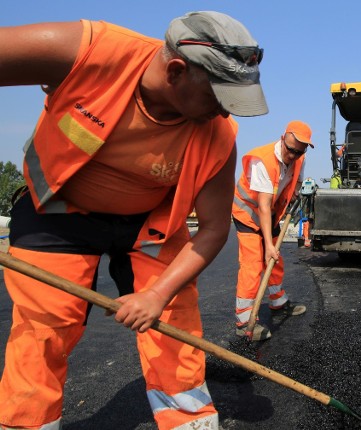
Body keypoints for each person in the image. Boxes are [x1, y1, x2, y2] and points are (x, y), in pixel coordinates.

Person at [0, 11, 267, 430]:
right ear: (177, 71)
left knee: (174, 320)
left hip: (150, 223)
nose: (223, 112)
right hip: (56, 211)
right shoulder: (89, 52)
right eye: (219, 97)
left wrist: (157, 294)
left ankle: (189, 422)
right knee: (43, 329)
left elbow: (214, 228)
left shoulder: (218, 135)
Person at [232, 121, 313, 341]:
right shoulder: (263, 160)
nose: (293, 155)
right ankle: (244, 321)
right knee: (253, 264)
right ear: (282, 138)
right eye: (290, 149)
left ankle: (278, 302)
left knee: (275, 261)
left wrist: (295, 191)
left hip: (272, 213)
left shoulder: (299, 158)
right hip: (249, 213)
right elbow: (263, 206)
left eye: (299, 152)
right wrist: (268, 244)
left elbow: (295, 182)